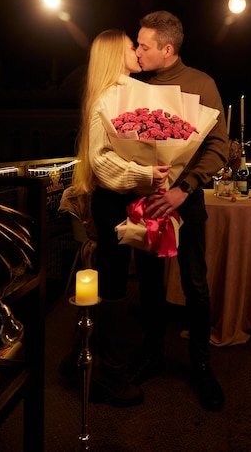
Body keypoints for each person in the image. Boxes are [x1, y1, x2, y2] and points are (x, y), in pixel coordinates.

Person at [130, 10, 229, 412]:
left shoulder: (201, 83)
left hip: (187, 200)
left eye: (143, 45)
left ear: (167, 50)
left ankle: (201, 365)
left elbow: (219, 147)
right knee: (149, 284)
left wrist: (184, 189)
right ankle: (153, 355)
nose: (137, 51)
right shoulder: (134, 85)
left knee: (195, 285)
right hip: (148, 201)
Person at [69, 28, 171, 407]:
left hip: (131, 200)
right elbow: (99, 160)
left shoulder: (126, 92)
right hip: (113, 200)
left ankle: (97, 362)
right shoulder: (108, 98)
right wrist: (144, 174)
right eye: (132, 46)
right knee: (112, 287)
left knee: (122, 283)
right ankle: (105, 378)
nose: (137, 51)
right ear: (116, 53)